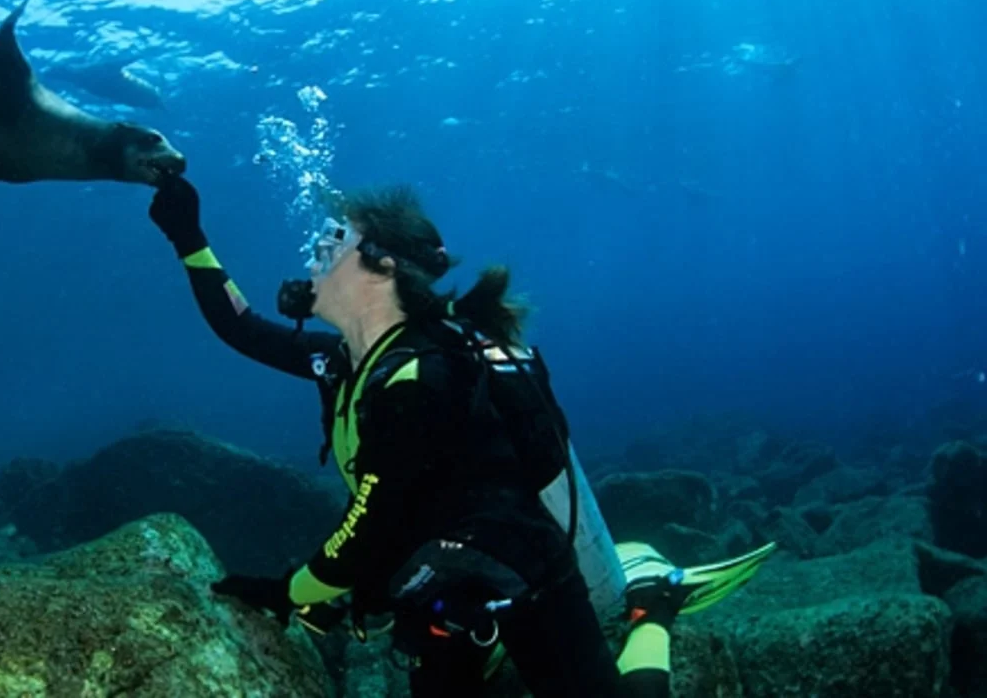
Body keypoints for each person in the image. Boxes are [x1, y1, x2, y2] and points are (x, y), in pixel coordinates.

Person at [147, 175, 751, 697]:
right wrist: (187, 236)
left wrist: (289, 591)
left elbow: (369, 524)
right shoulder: (348, 362)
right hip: (433, 592)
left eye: (335, 241)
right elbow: (242, 327)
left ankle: (651, 610)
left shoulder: (420, 376)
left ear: (382, 267)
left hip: (522, 577)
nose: (314, 254)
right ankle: (487, 648)